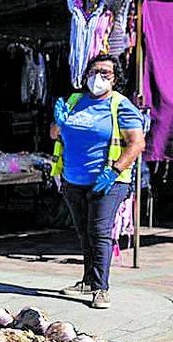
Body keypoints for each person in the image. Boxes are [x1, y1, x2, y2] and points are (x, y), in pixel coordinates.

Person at [51, 53, 146, 309]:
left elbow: (137, 143)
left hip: (109, 180)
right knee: (83, 232)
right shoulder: (74, 100)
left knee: (100, 233)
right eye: (94, 72)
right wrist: (58, 122)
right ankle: (87, 280)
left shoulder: (120, 105)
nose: (98, 77)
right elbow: (55, 134)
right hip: (73, 179)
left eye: (106, 73)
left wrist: (114, 171)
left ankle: (101, 288)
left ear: (115, 78)